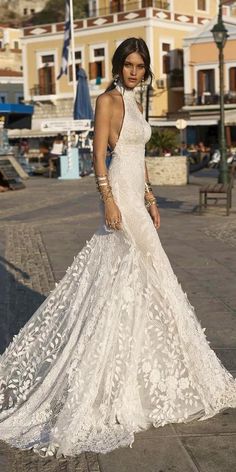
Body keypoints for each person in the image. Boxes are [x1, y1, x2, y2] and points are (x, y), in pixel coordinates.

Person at [0, 37, 236, 459]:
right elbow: (99, 153)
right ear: (117, 66)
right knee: (124, 272)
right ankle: (106, 370)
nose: (134, 71)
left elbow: (139, 154)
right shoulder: (108, 101)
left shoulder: (136, 100)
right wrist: (108, 199)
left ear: (145, 71)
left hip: (137, 199)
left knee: (149, 276)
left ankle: (149, 364)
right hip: (117, 196)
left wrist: (149, 197)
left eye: (140, 66)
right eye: (129, 64)